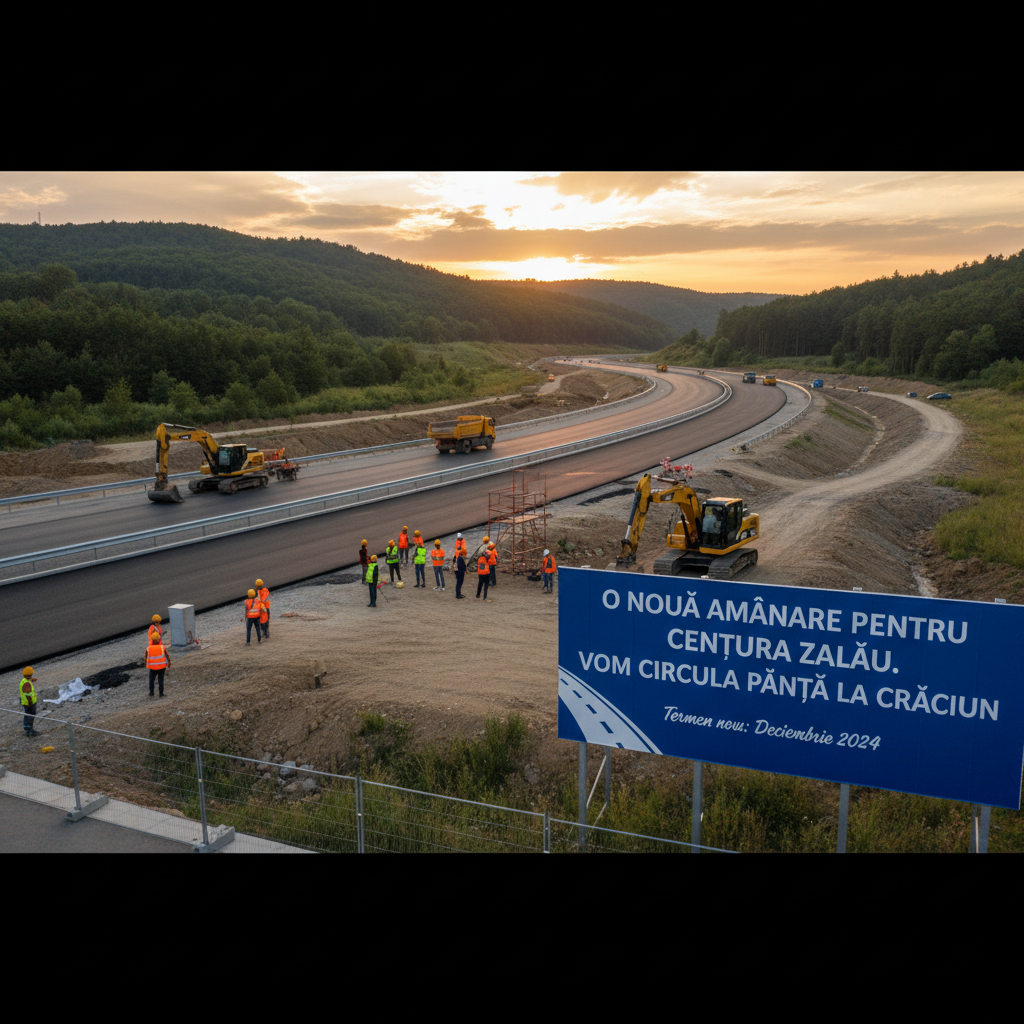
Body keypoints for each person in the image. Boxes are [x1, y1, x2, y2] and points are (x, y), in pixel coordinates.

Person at [20, 667, 40, 737]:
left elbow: (28, 680)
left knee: (28, 715)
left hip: (26, 703)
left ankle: (28, 729)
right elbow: (28, 695)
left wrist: (31, 679)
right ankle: (29, 731)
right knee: (30, 716)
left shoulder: (24, 680)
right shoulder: (27, 684)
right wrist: (30, 702)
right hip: (29, 703)